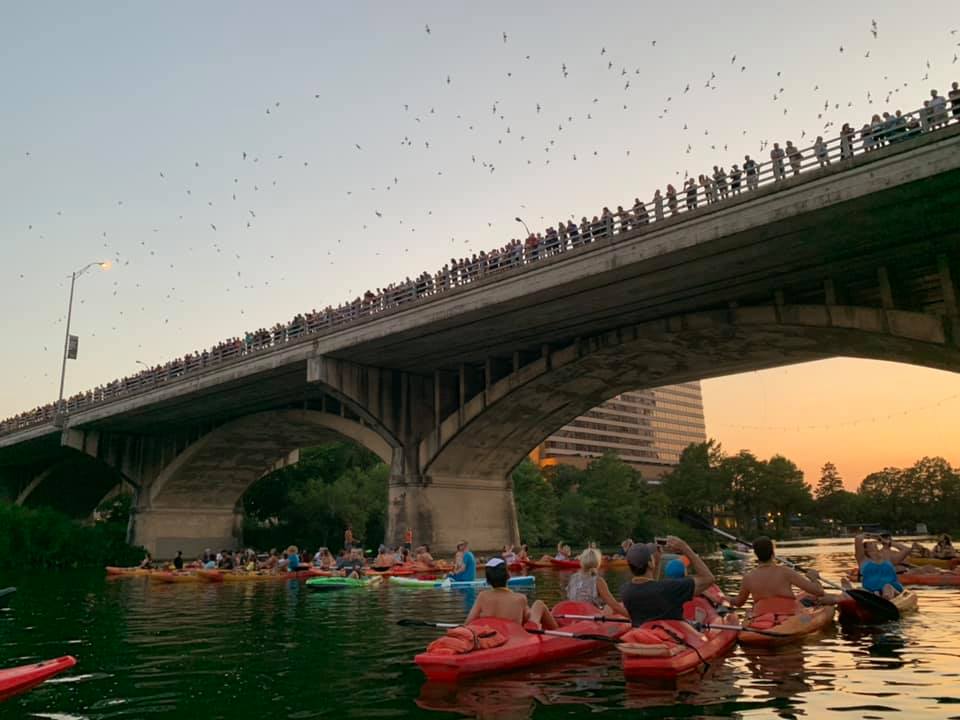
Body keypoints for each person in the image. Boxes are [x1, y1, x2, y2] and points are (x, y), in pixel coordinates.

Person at [621, 537, 715, 626]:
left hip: (643, 632)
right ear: (650, 564)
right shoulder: (669, 588)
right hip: (671, 634)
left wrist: (658, 561)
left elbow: (650, 586)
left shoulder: (625, 590)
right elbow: (708, 578)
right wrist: (685, 548)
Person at [733, 537, 825, 610]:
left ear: (756, 554)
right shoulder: (786, 571)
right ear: (773, 552)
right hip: (787, 615)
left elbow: (739, 602)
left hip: (762, 617)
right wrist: (813, 578)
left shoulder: (748, 578)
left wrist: (726, 598)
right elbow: (819, 592)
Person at [465, 558, 558, 629]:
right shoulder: (520, 598)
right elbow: (528, 617)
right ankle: (556, 629)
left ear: (488, 580)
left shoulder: (482, 596)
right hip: (515, 638)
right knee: (539, 604)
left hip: (494, 636)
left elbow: (468, 623)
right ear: (508, 576)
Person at [567, 548, 628, 616]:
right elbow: (614, 606)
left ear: (582, 562)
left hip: (574, 613)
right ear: (598, 563)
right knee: (611, 607)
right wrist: (632, 616)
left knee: (606, 606)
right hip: (590, 616)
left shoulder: (573, 577)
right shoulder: (598, 581)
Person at [848, 533, 904, 599]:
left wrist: (889, 542)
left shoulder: (887, 558)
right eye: (870, 543)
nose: (873, 543)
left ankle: (885, 597)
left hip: (891, 588)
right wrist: (870, 535)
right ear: (865, 549)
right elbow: (858, 538)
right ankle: (874, 596)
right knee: (860, 589)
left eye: (875, 544)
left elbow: (906, 550)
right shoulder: (863, 560)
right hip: (872, 590)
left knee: (887, 587)